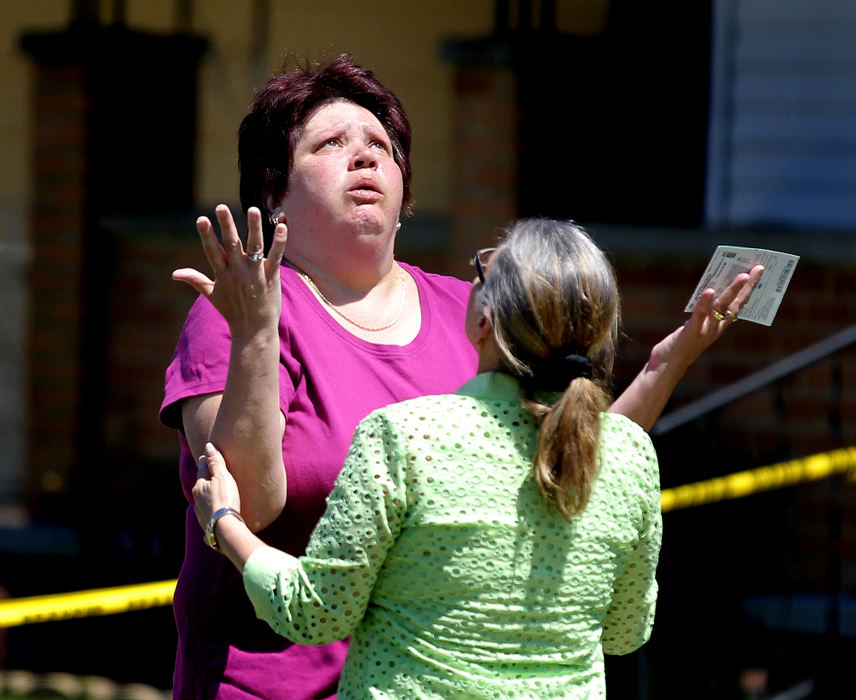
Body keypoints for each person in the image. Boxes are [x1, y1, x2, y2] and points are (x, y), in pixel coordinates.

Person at [163, 54, 762, 699]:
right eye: (331, 144)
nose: (364, 159)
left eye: (381, 147)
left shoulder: (473, 308)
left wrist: (665, 364)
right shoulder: (238, 311)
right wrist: (255, 333)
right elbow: (245, 509)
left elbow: (563, 461)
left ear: (406, 192)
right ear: (274, 192)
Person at [191, 217, 660, 698]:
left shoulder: (403, 436)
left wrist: (225, 521)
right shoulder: (631, 451)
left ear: (484, 321)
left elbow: (314, 612)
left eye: (480, 275)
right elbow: (626, 632)